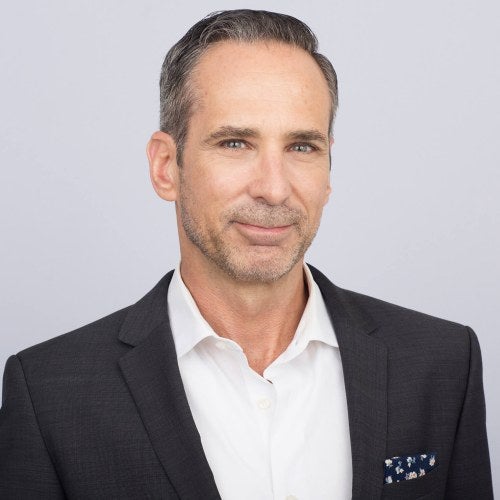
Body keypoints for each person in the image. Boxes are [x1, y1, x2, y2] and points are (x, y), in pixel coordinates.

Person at [0, 9, 493, 500]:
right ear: (167, 167)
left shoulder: (443, 364)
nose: (274, 189)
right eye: (235, 143)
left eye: (302, 147)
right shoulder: (50, 393)